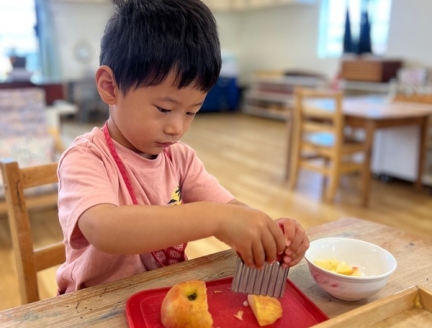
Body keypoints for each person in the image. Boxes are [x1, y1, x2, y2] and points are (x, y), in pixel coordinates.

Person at [56, 0, 309, 294]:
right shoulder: (85, 158)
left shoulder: (180, 159)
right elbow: (104, 229)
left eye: (191, 111)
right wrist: (216, 219)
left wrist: (268, 231)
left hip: (162, 294)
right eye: (164, 109)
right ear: (110, 87)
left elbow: (230, 209)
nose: (177, 128)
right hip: (94, 305)